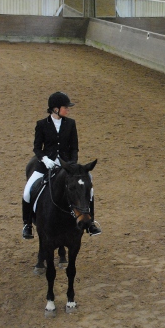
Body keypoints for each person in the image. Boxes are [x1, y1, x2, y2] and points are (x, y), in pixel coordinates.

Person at [21, 91, 101, 239]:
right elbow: (37, 148)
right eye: (66, 107)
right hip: (46, 164)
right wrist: (45, 159)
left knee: (88, 185)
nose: (68, 110)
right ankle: (27, 225)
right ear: (56, 109)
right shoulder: (41, 124)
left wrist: (72, 164)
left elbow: (74, 148)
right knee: (27, 191)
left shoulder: (70, 124)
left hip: (67, 165)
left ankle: (91, 223)